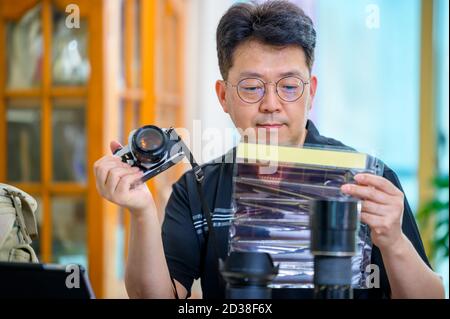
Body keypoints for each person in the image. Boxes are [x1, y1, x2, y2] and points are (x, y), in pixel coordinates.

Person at [93, 0, 445, 299]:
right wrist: (141, 212)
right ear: (223, 96)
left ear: (311, 92)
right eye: (251, 87)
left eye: (289, 86)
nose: (271, 104)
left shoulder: (371, 180)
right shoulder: (198, 188)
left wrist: (394, 242)